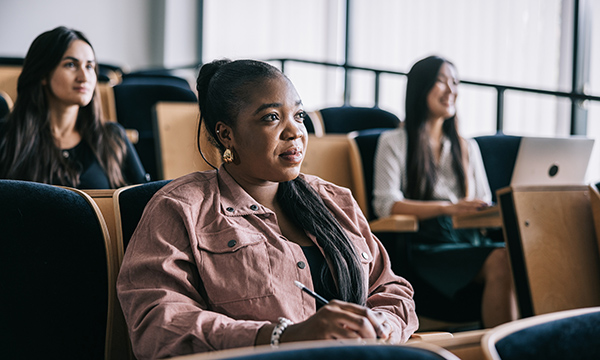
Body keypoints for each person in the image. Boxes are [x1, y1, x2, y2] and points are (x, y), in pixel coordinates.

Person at [117, 59, 418, 359]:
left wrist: (382, 324)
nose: (295, 132)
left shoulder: (334, 200)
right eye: (271, 117)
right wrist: (282, 338)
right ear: (226, 134)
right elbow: (158, 325)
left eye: (298, 115)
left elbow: (391, 289)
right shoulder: (180, 208)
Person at [372, 55, 517, 328]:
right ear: (421, 87)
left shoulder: (466, 146)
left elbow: (482, 199)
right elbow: (386, 204)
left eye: (455, 82)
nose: (451, 90)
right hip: (426, 247)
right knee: (502, 258)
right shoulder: (394, 142)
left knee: (519, 253)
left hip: (466, 239)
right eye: (441, 81)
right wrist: (448, 208)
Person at [0, 26, 148, 189]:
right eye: (71, 65)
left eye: (89, 67)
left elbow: (145, 202)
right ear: (42, 74)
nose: (84, 77)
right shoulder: (7, 137)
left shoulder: (113, 137)